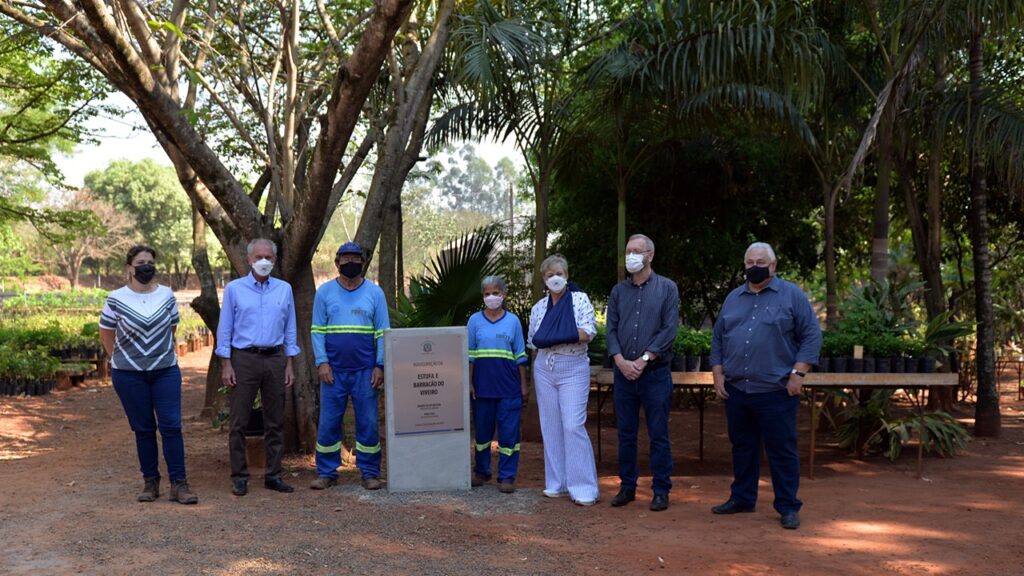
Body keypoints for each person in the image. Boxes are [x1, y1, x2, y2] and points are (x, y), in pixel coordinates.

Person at [710, 242, 821, 530]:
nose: (754, 266)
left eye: (760, 261)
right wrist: (717, 373)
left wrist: (799, 373)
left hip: (776, 390)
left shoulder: (792, 296)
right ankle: (742, 498)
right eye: (749, 262)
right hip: (737, 389)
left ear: (773, 265)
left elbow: (811, 335)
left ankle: (787, 506)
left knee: (781, 449)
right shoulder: (733, 298)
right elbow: (718, 339)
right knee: (742, 447)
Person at [99, 245, 198, 505]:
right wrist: (117, 358)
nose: (146, 266)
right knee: (143, 429)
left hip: (165, 370)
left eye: (150, 262)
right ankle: (150, 482)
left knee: (171, 426)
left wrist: (157, 352)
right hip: (129, 374)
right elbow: (106, 332)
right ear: (129, 267)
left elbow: (172, 327)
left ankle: (179, 483)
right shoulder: (115, 298)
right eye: (141, 262)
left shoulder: (166, 295)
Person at [216, 238, 301, 496]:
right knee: (239, 421)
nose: (263, 261)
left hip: (275, 358)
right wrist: (226, 364)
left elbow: (290, 328)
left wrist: (289, 363)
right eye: (258, 257)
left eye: (269, 257)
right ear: (249, 259)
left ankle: (273, 475)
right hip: (244, 359)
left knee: (275, 421)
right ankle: (239, 476)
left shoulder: (284, 289)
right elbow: (225, 328)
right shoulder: (235, 289)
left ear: (274, 261)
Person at [606, 233, 679, 512]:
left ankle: (661, 489)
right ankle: (627, 487)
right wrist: (621, 360)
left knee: (658, 433)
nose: (631, 256)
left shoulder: (667, 288)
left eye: (636, 251)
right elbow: (611, 328)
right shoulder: (617, 292)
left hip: (655, 374)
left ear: (650, 255)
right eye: (628, 251)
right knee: (626, 433)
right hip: (623, 373)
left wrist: (644, 359)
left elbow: (669, 329)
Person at [310, 242, 390, 491]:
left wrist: (380, 365)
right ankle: (326, 472)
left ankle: (369, 472)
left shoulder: (375, 294)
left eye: (356, 258)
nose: (351, 263)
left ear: (363, 263)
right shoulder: (324, 293)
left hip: (366, 372)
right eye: (345, 259)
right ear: (337, 263)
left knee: (367, 423)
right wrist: (322, 362)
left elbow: (383, 332)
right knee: (329, 423)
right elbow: (317, 330)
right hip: (333, 372)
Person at [528, 255, 600, 506]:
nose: (554, 278)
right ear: (544, 280)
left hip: (573, 367)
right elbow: (534, 341)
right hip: (545, 368)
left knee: (572, 425)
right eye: (549, 276)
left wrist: (555, 336)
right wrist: (560, 337)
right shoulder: (538, 307)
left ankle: (584, 487)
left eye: (558, 273)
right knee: (550, 425)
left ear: (566, 275)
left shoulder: (579, 300)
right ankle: (556, 483)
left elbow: (587, 333)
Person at [467, 276, 529, 493]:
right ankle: (482, 472)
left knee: (509, 434)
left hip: (509, 388)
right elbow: (470, 355)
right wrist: (469, 383)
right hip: (482, 387)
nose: (491, 297)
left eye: (495, 293)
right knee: (482, 434)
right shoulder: (474, 321)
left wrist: (523, 385)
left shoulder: (513, 321)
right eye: (486, 293)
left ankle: (507, 476)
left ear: (504, 294)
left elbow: (520, 355)